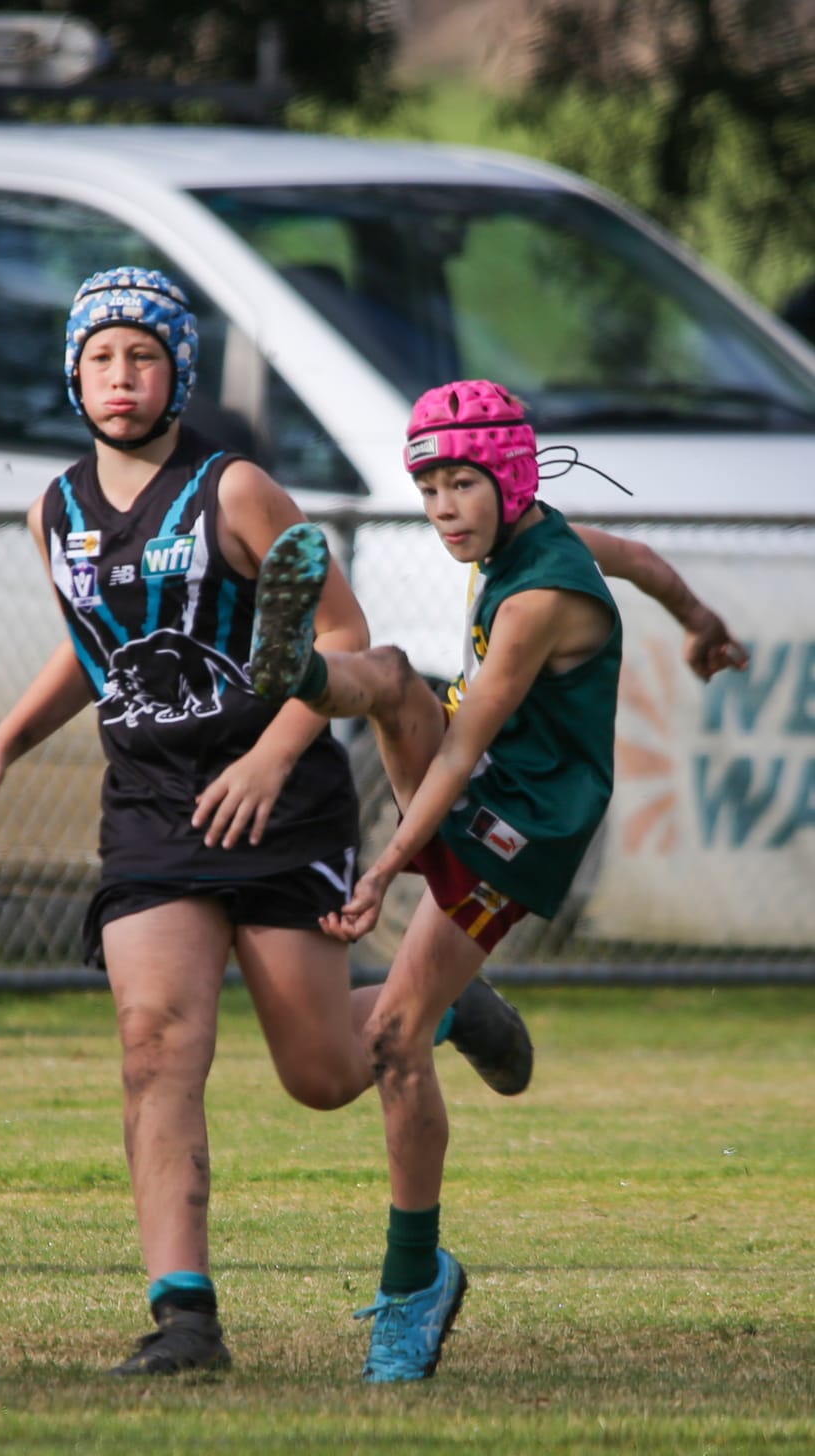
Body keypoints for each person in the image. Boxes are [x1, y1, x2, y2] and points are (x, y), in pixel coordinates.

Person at [0, 270, 531, 1379]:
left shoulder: (237, 491)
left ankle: (442, 1007)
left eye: (144, 356)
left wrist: (269, 754)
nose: (122, 376)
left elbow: (344, 638)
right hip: (152, 807)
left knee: (320, 1072)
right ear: (74, 375)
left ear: (179, 374)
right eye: (101, 357)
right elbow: (99, 644)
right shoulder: (54, 511)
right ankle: (185, 1321)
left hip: (280, 801)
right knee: (154, 1043)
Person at [248, 378, 748, 1383]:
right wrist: (699, 622)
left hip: (522, 827)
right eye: (428, 488)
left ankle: (414, 1285)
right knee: (392, 674)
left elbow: (461, 749)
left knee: (389, 1037)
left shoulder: (533, 600)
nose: (443, 508)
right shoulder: (533, 537)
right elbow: (640, 557)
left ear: (510, 478)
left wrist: (383, 868)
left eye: (462, 484)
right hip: (480, 782)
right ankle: (300, 673)